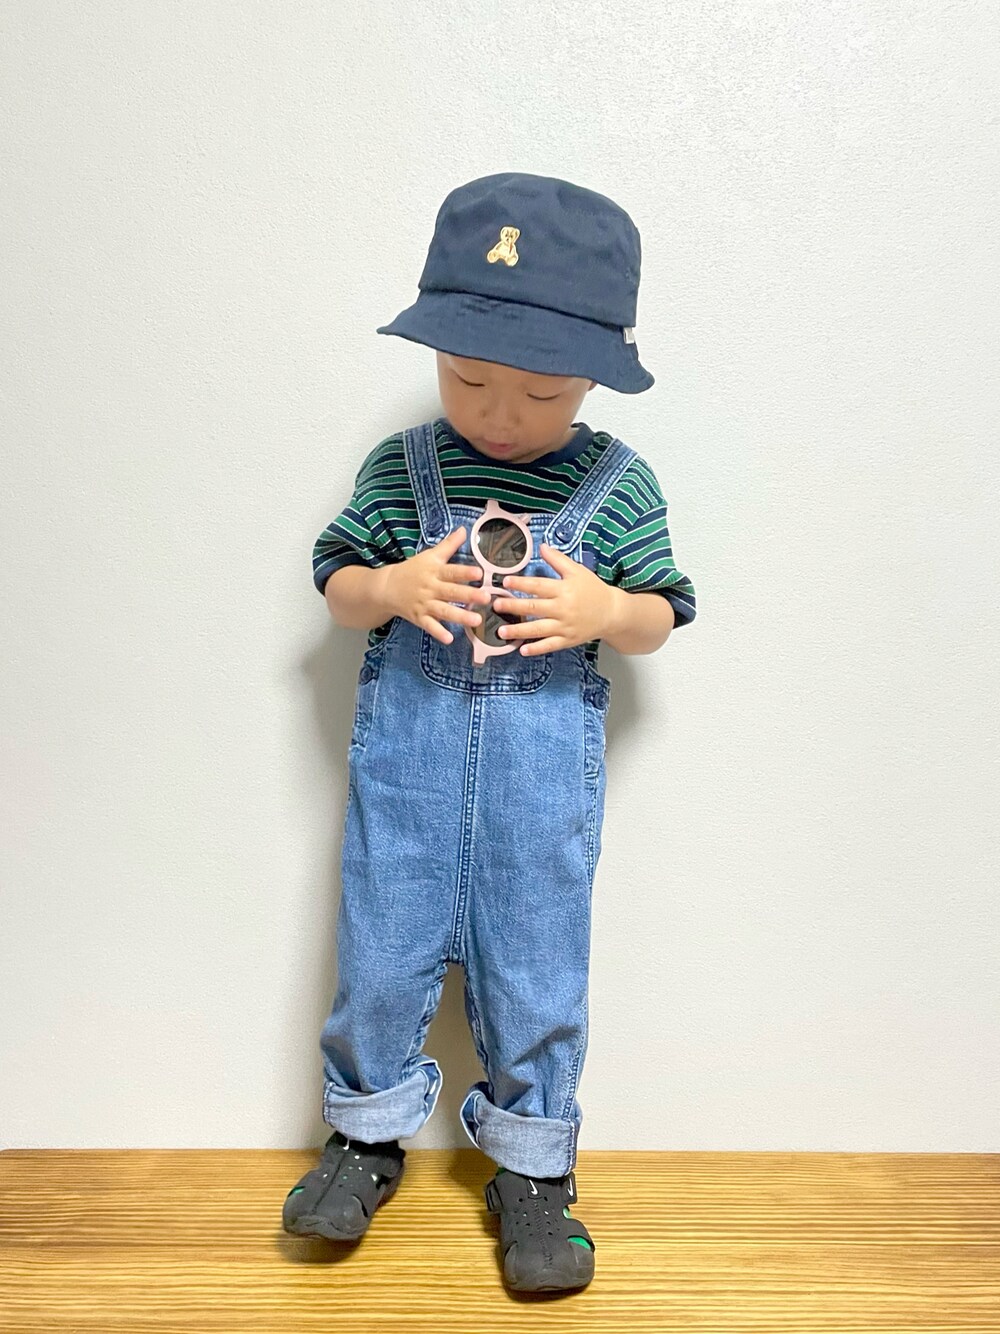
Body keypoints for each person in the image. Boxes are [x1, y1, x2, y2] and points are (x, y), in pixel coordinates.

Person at [283, 172, 697, 1293]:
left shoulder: (617, 486)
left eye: (540, 391)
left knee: (535, 965)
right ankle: (364, 1135)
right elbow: (337, 584)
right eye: (467, 377)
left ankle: (533, 1169)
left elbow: (662, 613)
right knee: (380, 949)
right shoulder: (402, 469)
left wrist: (603, 611)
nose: (499, 414)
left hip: (537, 786)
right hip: (407, 776)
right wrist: (392, 586)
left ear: (594, 376)